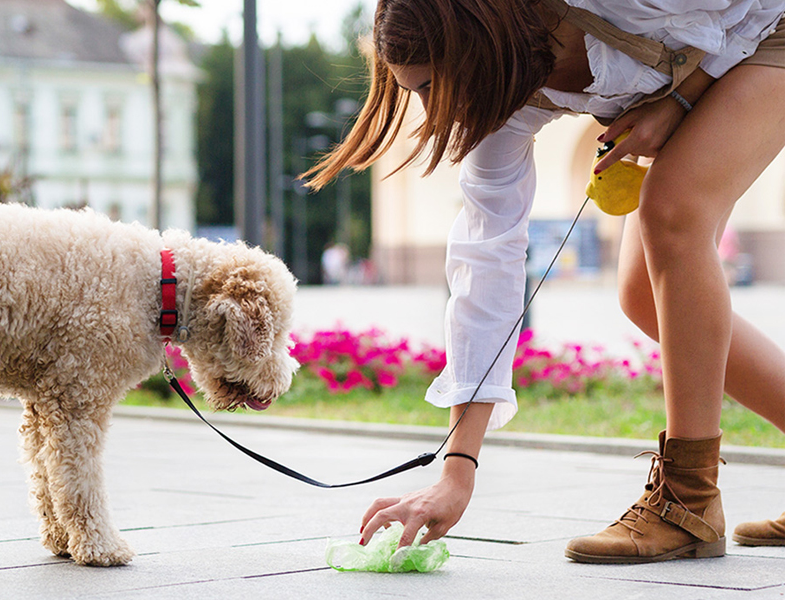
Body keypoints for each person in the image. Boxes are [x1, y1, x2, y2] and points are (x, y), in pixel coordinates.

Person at [304, 0, 785, 563]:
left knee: (672, 211)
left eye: (433, 84)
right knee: (643, 296)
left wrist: (683, 94)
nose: (432, 110)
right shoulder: (502, 105)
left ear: (477, 45)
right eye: (415, 92)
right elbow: (486, 266)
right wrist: (456, 473)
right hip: (700, 68)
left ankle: (689, 502)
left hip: (770, 23)